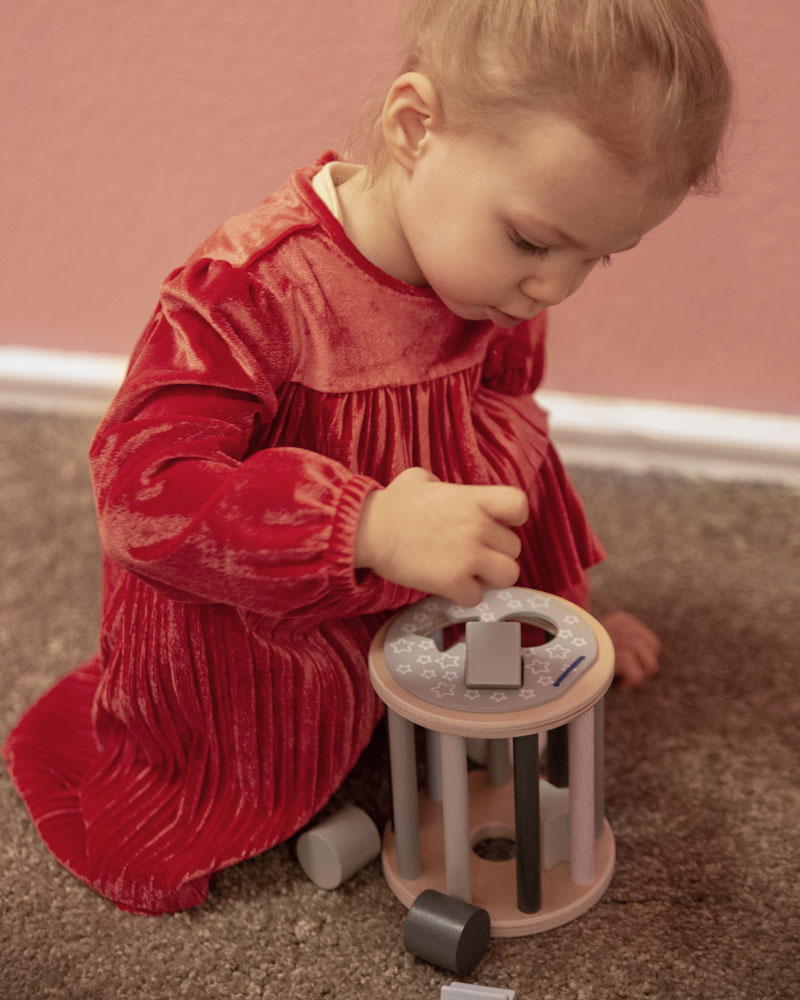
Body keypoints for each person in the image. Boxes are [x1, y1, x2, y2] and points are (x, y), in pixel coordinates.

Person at [3, 0, 732, 915]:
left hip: (412, 605)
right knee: (191, 796)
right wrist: (362, 524)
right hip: (265, 638)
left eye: (601, 258)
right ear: (414, 127)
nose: (556, 286)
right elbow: (143, 495)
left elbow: (510, 459)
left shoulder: (494, 293)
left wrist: (559, 621)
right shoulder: (251, 291)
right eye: (534, 240)